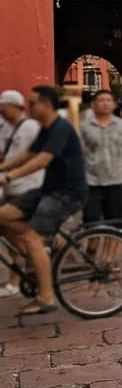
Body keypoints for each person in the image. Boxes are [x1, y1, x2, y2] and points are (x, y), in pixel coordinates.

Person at [0, 85, 88, 315]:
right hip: (48, 189)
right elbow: (27, 154)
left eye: (33, 103)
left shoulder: (60, 128)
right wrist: (2, 168)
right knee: (2, 217)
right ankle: (37, 257)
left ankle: (47, 297)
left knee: (32, 236)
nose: (29, 107)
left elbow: (41, 160)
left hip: (67, 193)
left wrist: (8, 177)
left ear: (46, 104)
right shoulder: (46, 128)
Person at [0, 90, 43, 297]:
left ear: (16, 106)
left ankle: (36, 250)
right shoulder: (5, 128)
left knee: (8, 224)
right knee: (7, 232)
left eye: (4, 106)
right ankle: (17, 277)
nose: (1, 110)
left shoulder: (31, 127)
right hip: (10, 188)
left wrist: (10, 174)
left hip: (28, 187)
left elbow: (35, 157)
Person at [80, 90, 122, 230]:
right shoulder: (84, 126)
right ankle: (92, 248)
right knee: (91, 222)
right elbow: (79, 153)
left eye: (108, 100)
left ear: (114, 105)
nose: (105, 103)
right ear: (93, 105)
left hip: (115, 180)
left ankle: (109, 253)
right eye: (101, 100)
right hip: (92, 182)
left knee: (116, 223)